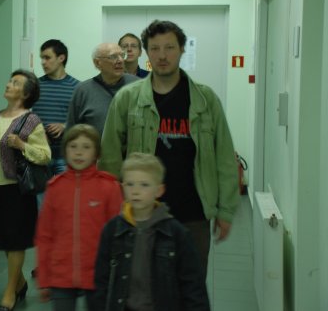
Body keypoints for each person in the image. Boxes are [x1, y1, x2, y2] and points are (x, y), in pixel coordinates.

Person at [99, 20, 238, 273]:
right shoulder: (127, 98)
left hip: (194, 215)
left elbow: (225, 157)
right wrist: (115, 207)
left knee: (190, 284)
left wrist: (226, 211)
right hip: (142, 214)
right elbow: (110, 158)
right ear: (147, 52)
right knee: (143, 284)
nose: (162, 55)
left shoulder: (205, 100)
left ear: (182, 49)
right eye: (155, 48)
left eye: (169, 47)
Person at [93, 152, 210, 311]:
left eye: (144, 185)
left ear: (159, 190)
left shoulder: (177, 234)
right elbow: (101, 282)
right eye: (130, 184)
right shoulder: (112, 231)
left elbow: (193, 286)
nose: (135, 191)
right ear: (122, 187)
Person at [35, 124, 123, 311]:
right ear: (65, 150)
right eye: (73, 146)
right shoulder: (55, 188)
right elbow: (44, 236)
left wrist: (117, 277)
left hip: (98, 274)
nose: (79, 152)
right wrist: (44, 278)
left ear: (96, 153)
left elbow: (118, 236)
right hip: (61, 275)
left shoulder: (109, 187)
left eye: (86, 147)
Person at [0, 69, 51, 311]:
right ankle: (20, 283)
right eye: (10, 80)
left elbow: (45, 155)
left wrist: (22, 145)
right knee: (2, 240)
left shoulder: (31, 121)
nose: (8, 84)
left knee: (15, 243)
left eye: (15, 83)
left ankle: (9, 292)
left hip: (16, 191)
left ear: (26, 93)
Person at [66, 42, 139, 135]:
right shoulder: (83, 91)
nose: (120, 60)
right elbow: (71, 132)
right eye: (113, 57)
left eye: (122, 55)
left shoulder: (137, 85)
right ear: (97, 63)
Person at [31, 39, 80, 178]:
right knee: (40, 193)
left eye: (47, 58)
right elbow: (24, 116)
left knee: (65, 192)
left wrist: (65, 126)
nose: (43, 62)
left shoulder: (77, 87)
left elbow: (83, 119)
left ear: (61, 58)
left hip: (66, 154)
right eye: (42, 58)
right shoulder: (35, 86)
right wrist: (38, 132)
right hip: (39, 152)